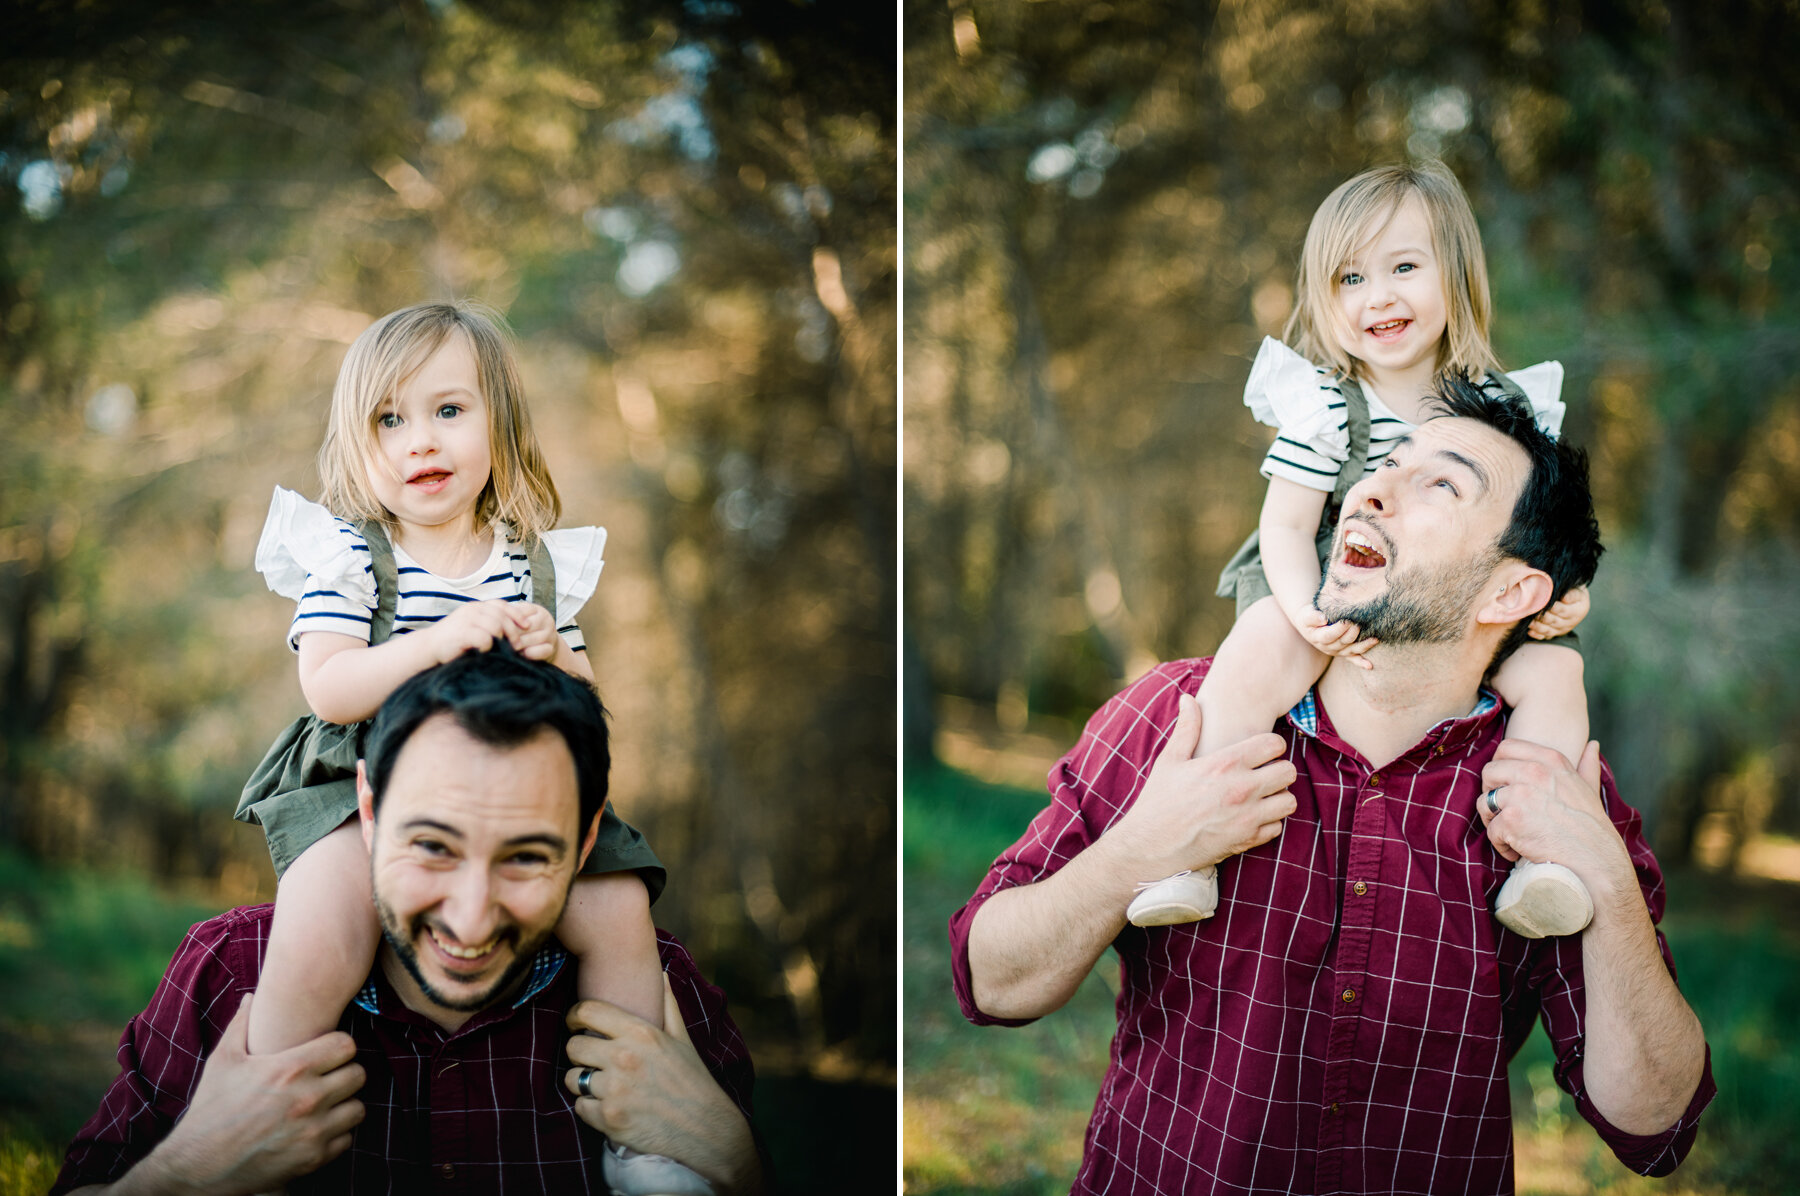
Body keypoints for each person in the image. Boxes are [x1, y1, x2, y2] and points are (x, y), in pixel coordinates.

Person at [950, 377, 1714, 1195]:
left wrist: (1603, 872)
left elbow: (1654, 1129)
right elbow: (991, 982)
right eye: (1385, 465)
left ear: (1513, 593)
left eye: (1442, 484)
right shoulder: (1185, 720)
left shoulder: (1551, 801)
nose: (1371, 490)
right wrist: (1144, 846)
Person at [234, 300, 704, 1188]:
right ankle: (272, 1104)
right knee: (325, 912)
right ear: (360, 443)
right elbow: (329, 685)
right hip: (362, 773)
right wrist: (442, 641)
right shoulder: (351, 556)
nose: (421, 440)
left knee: (618, 912)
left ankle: (642, 1136)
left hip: (518, 785)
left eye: (449, 411)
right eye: (391, 419)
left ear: (500, 427)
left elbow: (588, 706)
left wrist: (553, 654)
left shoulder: (536, 563)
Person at [53, 647, 764, 1195]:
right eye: (432, 846)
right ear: (366, 809)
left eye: (524, 857)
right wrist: (180, 1176)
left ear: (586, 843)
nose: (470, 915)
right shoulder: (233, 968)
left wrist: (738, 1166)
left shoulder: (659, 997)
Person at [1128, 162, 1592, 940]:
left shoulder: (1508, 407)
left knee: (1557, 670)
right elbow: (1284, 528)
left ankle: (1540, 858)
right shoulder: (1323, 405)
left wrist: (1570, 589)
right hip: (1324, 576)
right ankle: (1188, 847)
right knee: (1258, 652)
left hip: (1456, 592)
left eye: (1404, 268)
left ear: (1458, 277)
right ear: (1324, 298)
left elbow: (1544, 526)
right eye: (1349, 277)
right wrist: (1307, 615)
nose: (1377, 296)